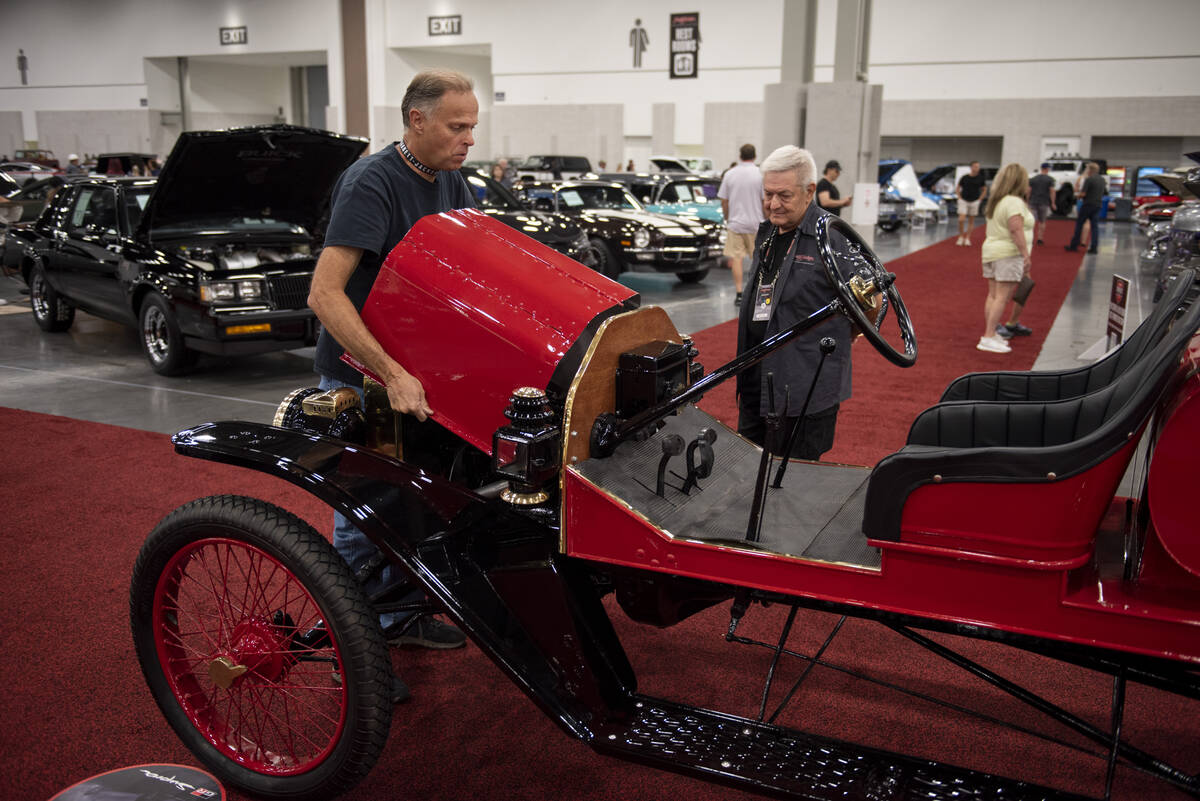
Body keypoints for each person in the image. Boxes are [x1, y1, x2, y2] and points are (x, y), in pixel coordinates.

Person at [307, 68, 477, 697]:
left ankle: (397, 616)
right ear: (417, 120)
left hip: (413, 374)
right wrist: (392, 372)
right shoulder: (372, 182)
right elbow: (324, 295)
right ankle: (350, 653)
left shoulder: (452, 180)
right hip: (364, 374)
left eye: (472, 128)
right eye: (457, 127)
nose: (467, 140)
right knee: (361, 514)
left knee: (414, 502)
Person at [735, 145, 853, 461]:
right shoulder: (768, 232)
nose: (773, 204)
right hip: (756, 384)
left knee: (792, 485)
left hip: (803, 392)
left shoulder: (833, 237)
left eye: (783, 195)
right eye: (768, 194)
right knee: (749, 474)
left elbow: (872, 304)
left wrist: (827, 342)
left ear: (809, 191)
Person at [976, 163, 1034, 353]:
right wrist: (1025, 254)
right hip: (1007, 253)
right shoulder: (1014, 202)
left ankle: (991, 333)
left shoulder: (997, 200)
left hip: (992, 251)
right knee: (1002, 297)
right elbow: (1016, 228)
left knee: (993, 296)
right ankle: (988, 335)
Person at [718, 143, 764, 306]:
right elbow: (765, 200)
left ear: (740, 155)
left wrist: (727, 217)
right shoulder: (760, 174)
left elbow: (724, 200)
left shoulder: (730, 174)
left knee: (737, 258)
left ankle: (739, 293)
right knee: (758, 260)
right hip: (757, 223)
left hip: (736, 223)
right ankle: (755, 292)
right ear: (755, 156)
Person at [1066, 161, 1105, 254]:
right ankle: (1094, 247)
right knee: (1094, 227)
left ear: (1090, 170)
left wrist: (1076, 196)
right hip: (1098, 204)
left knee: (1079, 225)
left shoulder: (1089, 179)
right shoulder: (1102, 180)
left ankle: (1074, 245)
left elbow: (1083, 193)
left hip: (1088, 204)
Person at [955, 161, 988, 246]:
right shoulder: (965, 177)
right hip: (964, 200)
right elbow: (958, 187)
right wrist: (959, 197)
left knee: (971, 220)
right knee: (961, 219)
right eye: (975, 166)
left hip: (974, 200)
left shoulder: (980, 178)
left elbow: (984, 189)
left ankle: (967, 238)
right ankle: (961, 236)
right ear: (971, 167)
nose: (976, 168)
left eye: (978, 167)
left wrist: (980, 199)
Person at [1028, 162, 1055, 245]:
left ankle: (1030, 237)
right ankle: (1040, 238)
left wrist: (1027, 200)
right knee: (1042, 221)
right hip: (1044, 202)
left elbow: (1028, 190)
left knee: (1031, 221)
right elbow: (1052, 191)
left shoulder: (1033, 179)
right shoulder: (1050, 179)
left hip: (1033, 201)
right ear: (1047, 169)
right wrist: (1053, 202)